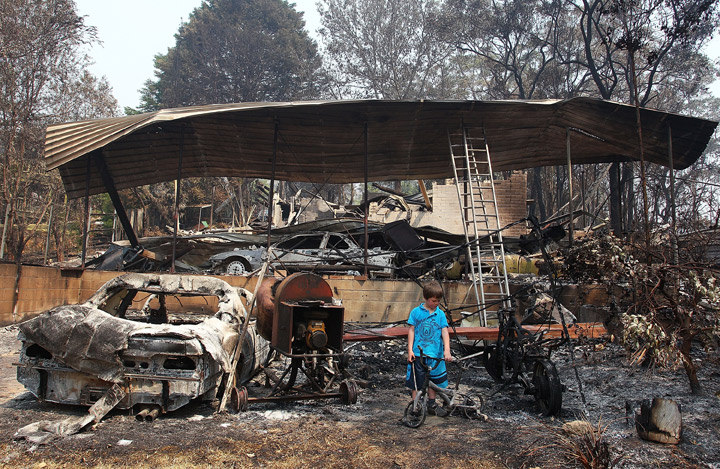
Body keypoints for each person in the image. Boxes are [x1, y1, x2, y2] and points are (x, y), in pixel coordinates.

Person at [406, 280, 452, 413]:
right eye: (433, 301)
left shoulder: (440, 314)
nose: (436, 303)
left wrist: (446, 350)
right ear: (425, 298)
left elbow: (444, 332)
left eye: (438, 301)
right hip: (419, 354)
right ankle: (415, 406)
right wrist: (410, 350)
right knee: (417, 382)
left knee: (434, 381)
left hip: (435, 355)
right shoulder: (416, 312)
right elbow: (411, 331)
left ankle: (431, 403)